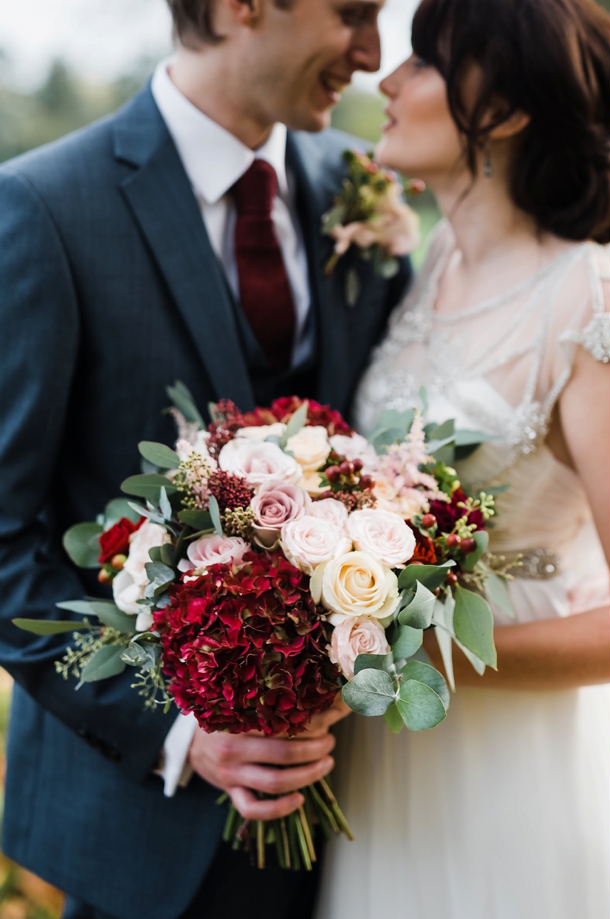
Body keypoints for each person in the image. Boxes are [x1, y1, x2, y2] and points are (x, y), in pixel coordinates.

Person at [0, 1, 407, 916]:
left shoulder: (358, 184)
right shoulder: (45, 207)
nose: (375, 54)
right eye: (353, 12)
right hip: (142, 833)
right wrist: (179, 735)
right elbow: (0, 534)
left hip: (360, 829)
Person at [313, 0, 610, 915]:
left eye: (422, 63)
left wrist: (418, 657)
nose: (386, 82)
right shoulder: (426, 264)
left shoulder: (589, 296)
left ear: (507, 109)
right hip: (385, 752)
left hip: (511, 739)